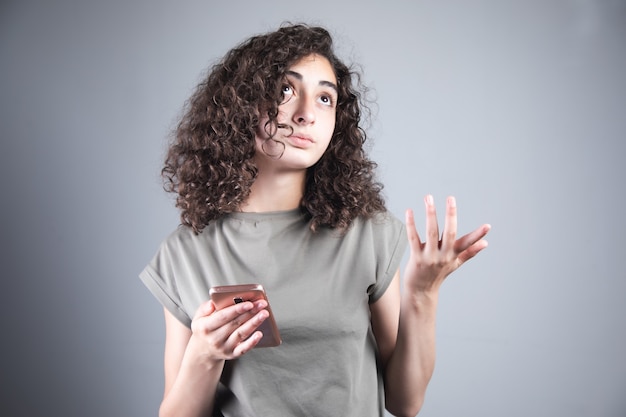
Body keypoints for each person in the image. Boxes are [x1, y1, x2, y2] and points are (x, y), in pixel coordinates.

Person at [140, 23, 490, 417]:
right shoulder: (184, 254)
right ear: (240, 106)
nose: (307, 114)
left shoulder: (366, 233)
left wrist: (423, 294)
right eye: (285, 91)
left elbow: (405, 402)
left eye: (325, 98)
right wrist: (203, 355)